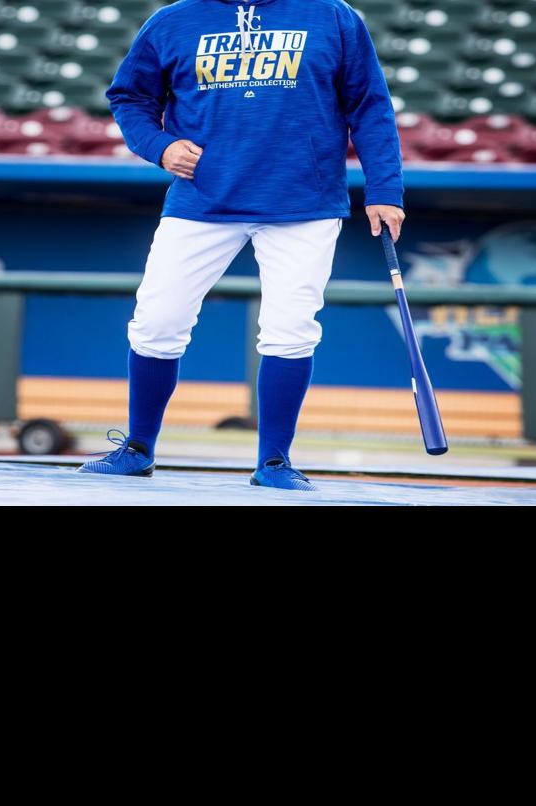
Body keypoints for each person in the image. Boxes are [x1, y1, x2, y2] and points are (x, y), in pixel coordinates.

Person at [79, 0, 405, 490]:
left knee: (291, 330)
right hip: (202, 199)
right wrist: (160, 145)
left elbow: (370, 104)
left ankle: (274, 461)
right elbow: (128, 97)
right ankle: (139, 447)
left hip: (304, 203)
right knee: (157, 321)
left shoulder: (333, 16)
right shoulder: (174, 19)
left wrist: (384, 189)